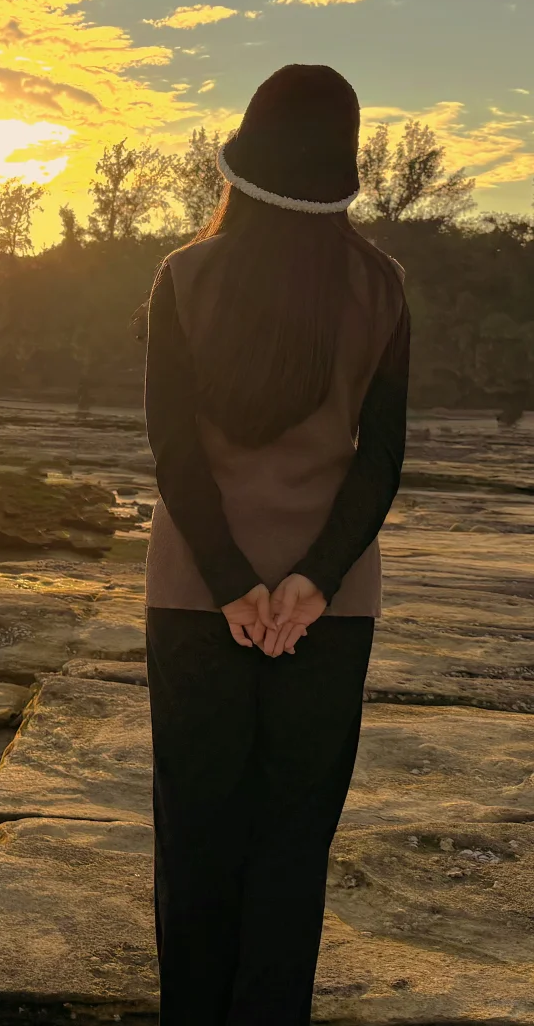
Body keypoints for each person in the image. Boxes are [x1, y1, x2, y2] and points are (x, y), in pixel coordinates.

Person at [144, 64, 410, 1025]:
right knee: (293, 843)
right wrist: (312, 581)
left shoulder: (184, 276)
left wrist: (228, 585)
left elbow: (172, 450)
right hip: (328, 611)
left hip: (192, 598)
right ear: (343, 167)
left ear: (244, 160)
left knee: (197, 841)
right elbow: (380, 459)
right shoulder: (382, 287)